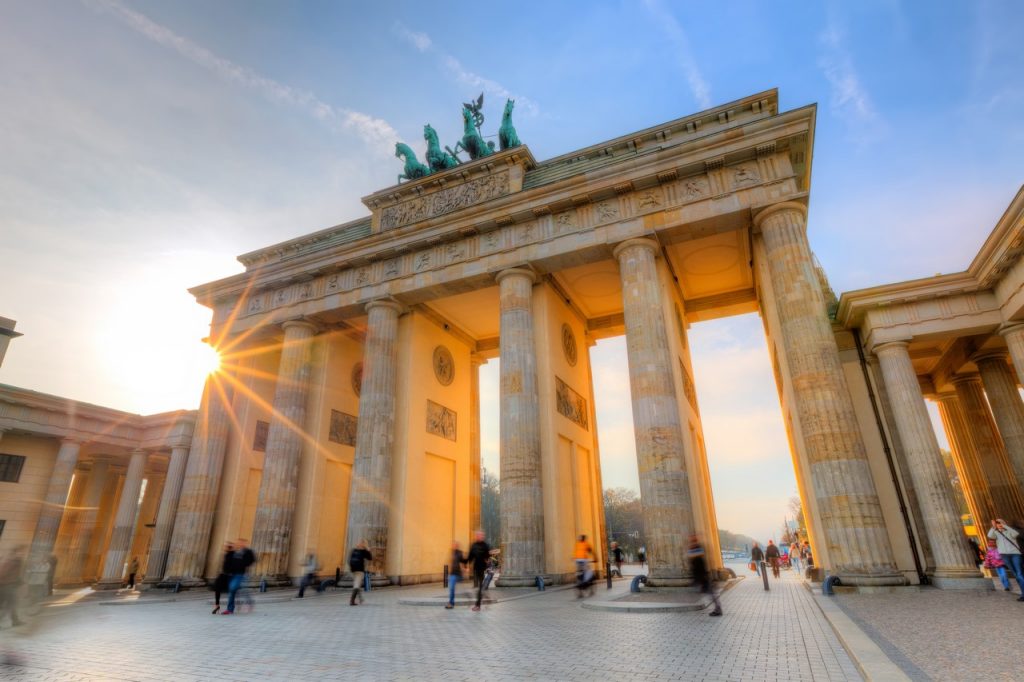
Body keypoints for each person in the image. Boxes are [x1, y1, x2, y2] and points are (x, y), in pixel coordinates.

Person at [987, 518, 1024, 600]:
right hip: (1004, 555)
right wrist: (993, 527)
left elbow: (1015, 534)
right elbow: (990, 535)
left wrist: (1005, 526)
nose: (999, 524)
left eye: (1000, 523)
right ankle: (1022, 593)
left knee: (1019, 574)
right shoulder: (996, 533)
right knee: (1015, 574)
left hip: (1015, 554)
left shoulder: (1009, 531)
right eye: (997, 523)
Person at [688, 534, 722, 617]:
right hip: (701, 575)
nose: (690, 541)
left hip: (702, 575)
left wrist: (700, 576)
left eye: (692, 539)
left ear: (694, 540)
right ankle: (718, 608)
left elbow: (699, 564)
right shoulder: (696, 549)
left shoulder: (696, 549)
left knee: (710, 592)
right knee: (709, 592)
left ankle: (718, 609)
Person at [222, 539, 256, 615]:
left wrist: (243, 564)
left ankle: (248, 603)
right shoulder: (234, 552)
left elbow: (251, 561)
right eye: (238, 542)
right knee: (234, 591)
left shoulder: (248, 551)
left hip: (241, 574)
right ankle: (230, 609)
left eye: (241, 542)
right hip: (232, 574)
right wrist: (229, 550)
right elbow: (227, 561)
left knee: (235, 589)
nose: (239, 544)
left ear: (245, 543)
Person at [0, 547, 25, 628]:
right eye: (20, 552)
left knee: (11, 604)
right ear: (15, 553)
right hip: (7, 586)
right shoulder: (12, 561)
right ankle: (15, 621)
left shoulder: (17, 561)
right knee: (10, 604)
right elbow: (3, 573)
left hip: (9, 585)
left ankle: (15, 621)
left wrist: (19, 581)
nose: (22, 554)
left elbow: (15, 574)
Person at [467, 531, 491, 612]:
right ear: (476, 536)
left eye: (481, 535)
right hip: (476, 568)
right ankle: (484, 596)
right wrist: (466, 565)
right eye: (478, 535)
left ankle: (478, 605)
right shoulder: (473, 545)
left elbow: (487, 556)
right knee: (477, 587)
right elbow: (470, 557)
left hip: (482, 569)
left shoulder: (485, 546)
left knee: (480, 587)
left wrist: (486, 561)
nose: (479, 537)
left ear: (483, 536)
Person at [211, 542, 233, 614]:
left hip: (229, 576)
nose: (225, 548)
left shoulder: (232, 555)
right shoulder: (226, 555)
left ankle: (230, 608)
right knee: (217, 589)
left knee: (233, 591)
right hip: (223, 575)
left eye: (227, 546)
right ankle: (217, 605)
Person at [348, 540, 372, 606]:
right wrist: (368, 549)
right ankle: (352, 601)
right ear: (364, 545)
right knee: (356, 585)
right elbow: (370, 558)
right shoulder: (363, 551)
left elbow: (349, 560)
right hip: (359, 570)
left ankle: (361, 599)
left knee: (357, 584)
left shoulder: (353, 550)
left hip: (353, 570)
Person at [445, 542, 466, 609]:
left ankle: (451, 603)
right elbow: (450, 562)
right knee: (451, 588)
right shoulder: (452, 552)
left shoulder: (459, 553)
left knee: (452, 588)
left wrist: (465, 569)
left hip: (456, 573)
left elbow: (463, 561)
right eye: (453, 545)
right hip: (452, 573)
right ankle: (451, 602)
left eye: (455, 545)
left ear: (457, 546)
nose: (453, 546)